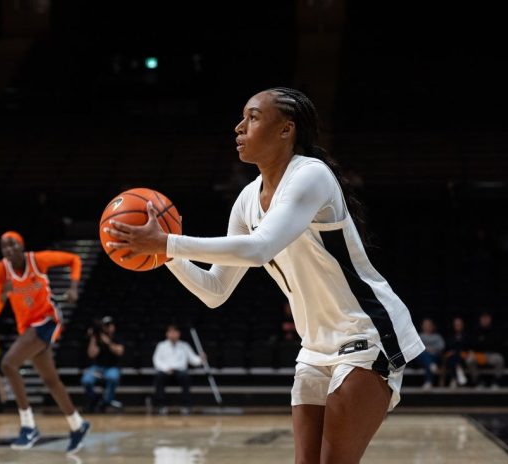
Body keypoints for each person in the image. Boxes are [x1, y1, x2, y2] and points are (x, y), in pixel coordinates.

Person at [105, 87, 425, 463]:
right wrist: (166, 254)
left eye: (253, 117)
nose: (239, 127)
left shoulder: (311, 175)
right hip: (314, 347)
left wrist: (169, 242)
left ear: (286, 129)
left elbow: (259, 248)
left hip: (367, 333)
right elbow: (215, 290)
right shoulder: (247, 200)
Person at [0, 231, 90, 453]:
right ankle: (77, 424)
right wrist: (4, 294)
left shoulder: (37, 260)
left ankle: (28, 426)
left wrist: (73, 287)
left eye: (13, 245)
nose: (9, 249)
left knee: (8, 364)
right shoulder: (1, 270)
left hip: (47, 320)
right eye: (4, 246)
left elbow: (74, 259)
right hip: (27, 329)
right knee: (50, 380)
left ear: (22, 246)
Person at [152, 324, 204, 415]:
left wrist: (201, 359)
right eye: (170, 332)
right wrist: (166, 369)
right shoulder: (161, 345)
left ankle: (186, 406)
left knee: (185, 376)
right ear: (167, 334)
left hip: (180, 372)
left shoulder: (184, 345)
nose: (172, 334)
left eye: (174, 332)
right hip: (166, 371)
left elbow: (193, 359)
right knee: (159, 377)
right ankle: (161, 406)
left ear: (178, 334)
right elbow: (156, 360)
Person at [81, 316, 124, 412]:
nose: (108, 327)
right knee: (86, 380)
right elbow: (91, 354)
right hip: (97, 367)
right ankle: (94, 399)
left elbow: (119, 351)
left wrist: (108, 342)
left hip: (112, 367)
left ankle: (106, 402)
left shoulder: (117, 338)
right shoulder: (97, 338)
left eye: (109, 325)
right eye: (105, 325)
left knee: (113, 377)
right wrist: (94, 338)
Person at [465, 311, 504, 388]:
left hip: (491, 355)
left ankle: (496, 381)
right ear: (480, 319)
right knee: (469, 360)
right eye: (483, 318)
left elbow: (498, 344)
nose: (485, 320)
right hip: (479, 355)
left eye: (487, 318)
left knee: (499, 359)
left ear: (490, 319)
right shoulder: (476, 330)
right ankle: (478, 381)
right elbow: (471, 344)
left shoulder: (495, 330)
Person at [416, 318, 444, 389]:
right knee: (424, 355)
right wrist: (426, 349)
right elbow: (416, 347)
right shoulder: (419, 336)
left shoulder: (437, 336)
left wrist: (433, 349)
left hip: (434, 356)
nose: (427, 327)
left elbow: (442, 346)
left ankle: (429, 381)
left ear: (432, 326)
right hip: (421, 358)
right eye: (425, 325)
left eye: (429, 325)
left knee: (429, 361)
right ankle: (431, 369)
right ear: (422, 326)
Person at [443, 316, 469, 388]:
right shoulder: (450, 335)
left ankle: (454, 379)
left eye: (459, 325)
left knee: (455, 357)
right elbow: (447, 346)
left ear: (462, 325)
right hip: (451, 356)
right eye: (456, 325)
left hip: (463, 356)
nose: (458, 326)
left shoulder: (466, 335)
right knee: (452, 358)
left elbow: (467, 346)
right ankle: (458, 371)